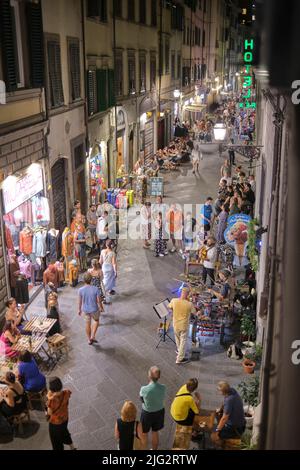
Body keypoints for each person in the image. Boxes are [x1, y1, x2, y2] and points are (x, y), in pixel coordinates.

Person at [139, 366, 166, 450]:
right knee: (155, 432)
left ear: (149, 376)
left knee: (144, 433)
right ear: (159, 377)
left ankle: (144, 448)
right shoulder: (163, 387)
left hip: (147, 413)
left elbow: (141, 399)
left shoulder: (144, 389)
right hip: (160, 412)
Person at [211, 381, 246, 446]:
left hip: (235, 429)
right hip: (242, 424)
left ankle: (225, 445)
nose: (218, 392)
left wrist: (217, 431)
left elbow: (224, 418)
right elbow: (225, 400)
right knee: (218, 414)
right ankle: (224, 441)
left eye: (219, 391)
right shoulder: (232, 391)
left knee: (213, 436)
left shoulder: (229, 400)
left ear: (222, 391)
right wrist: (220, 409)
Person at [46, 377, 76, 451]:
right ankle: (72, 447)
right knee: (64, 431)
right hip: (65, 418)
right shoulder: (66, 392)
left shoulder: (51, 401)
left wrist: (48, 400)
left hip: (55, 423)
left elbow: (49, 413)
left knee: (56, 441)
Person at [168, 288, 195, 364]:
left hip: (175, 324)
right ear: (187, 295)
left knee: (177, 338)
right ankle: (179, 359)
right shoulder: (189, 304)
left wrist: (173, 312)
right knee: (183, 340)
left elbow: (169, 307)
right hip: (184, 325)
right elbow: (194, 312)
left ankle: (179, 351)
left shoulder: (174, 300)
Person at [78, 273, 104, 345]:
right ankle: (93, 336)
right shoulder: (96, 289)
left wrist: (79, 310)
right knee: (96, 321)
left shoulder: (80, 290)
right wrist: (101, 308)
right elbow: (99, 300)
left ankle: (89, 340)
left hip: (85, 310)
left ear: (84, 280)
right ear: (91, 280)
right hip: (94, 309)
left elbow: (80, 301)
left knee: (87, 324)